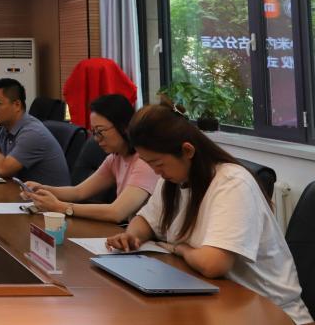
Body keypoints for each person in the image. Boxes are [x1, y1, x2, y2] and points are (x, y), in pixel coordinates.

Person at [106, 104, 312, 324]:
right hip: (219, 304)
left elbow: (213, 264)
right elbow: (146, 220)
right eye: (149, 164)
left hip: (271, 314)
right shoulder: (173, 180)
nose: (156, 172)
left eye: (158, 163)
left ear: (187, 151)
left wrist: (180, 249)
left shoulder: (231, 183)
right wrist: (132, 236)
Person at [23, 94, 159, 223]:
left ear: (124, 127)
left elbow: (117, 212)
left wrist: (60, 207)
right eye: (94, 132)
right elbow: (79, 192)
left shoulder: (145, 161)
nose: (96, 139)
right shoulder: (115, 158)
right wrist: (41, 189)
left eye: (100, 131)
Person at [0, 78, 70, 186]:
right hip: (22, 191)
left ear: (17, 105)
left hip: (49, 195)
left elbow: (3, 169)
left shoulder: (32, 133)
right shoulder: (5, 128)